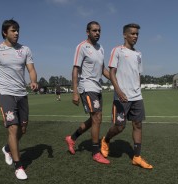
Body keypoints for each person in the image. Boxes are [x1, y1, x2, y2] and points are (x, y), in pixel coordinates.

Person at [0, 19, 38, 180]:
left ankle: (7, 148)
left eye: (18, 30)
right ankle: (18, 166)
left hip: (22, 94)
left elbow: (31, 69)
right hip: (6, 94)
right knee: (12, 129)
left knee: (23, 129)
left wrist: (33, 81)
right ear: (4, 32)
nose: (17, 33)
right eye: (13, 30)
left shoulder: (25, 49)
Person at [100, 23, 153, 169]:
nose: (135, 36)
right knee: (119, 127)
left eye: (137, 34)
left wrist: (138, 90)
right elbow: (111, 72)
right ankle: (106, 139)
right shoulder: (117, 50)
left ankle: (137, 157)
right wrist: (118, 91)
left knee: (138, 125)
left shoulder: (139, 54)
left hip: (137, 96)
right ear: (125, 35)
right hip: (121, 97)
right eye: (133, 34)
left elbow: (138, 74)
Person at [65, 21, 110, 164]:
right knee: (97, 117)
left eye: (99, 31)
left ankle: (72, 138)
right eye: (94, 30)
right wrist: (75, 92)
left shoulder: (101, 48)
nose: (97, 33)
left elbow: (103, 69)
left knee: (94, 120)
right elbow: (75, 69)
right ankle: (96, 152)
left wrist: (116, 80)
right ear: (87, 32)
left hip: (97, 87)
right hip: (87, 86)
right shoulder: (81, 47)